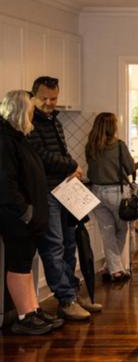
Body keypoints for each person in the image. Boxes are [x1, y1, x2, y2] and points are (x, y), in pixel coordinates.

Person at [27, 76, 100, 321]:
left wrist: (71, 169)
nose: (49, 103)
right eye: (44, 98)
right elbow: (41, 154)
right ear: (33, 96)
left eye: (54, 98)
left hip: (64, 189)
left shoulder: (54, 121)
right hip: (45, 192)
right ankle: (66, 299)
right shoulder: (30, 122)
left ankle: (71, 295)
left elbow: (60, 152)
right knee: (54, 246)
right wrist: (71, 165)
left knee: (70, 244)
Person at [0, 90, 64, 334]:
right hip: (15, 216)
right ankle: (24, 316)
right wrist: (25, 211)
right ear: (20, 111)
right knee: (19, 265)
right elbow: (6, 182)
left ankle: (33, 309)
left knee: (25, 264)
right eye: (30, 110)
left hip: (27, 215)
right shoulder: (5, 139)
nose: (32, 115)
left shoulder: (18, 138)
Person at [86, 112, 135, 281]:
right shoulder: (119, 145)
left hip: (96, 192)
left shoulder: (91, 146)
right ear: (112, 127)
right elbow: (130, 168)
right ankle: (116, 270)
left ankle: (111, 267)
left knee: (107, 231)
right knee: (121, 229)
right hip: (116, 193)